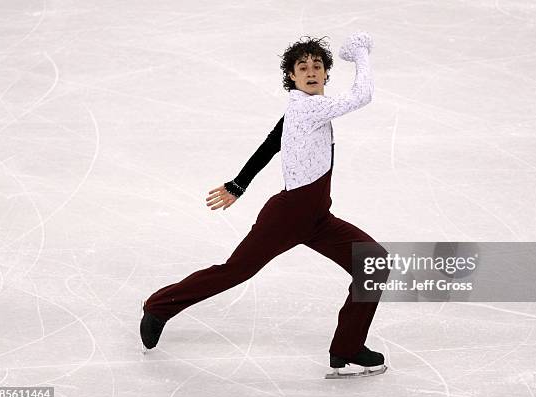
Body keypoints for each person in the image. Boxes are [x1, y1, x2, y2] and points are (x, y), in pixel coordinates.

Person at [141, 31, 389, 378]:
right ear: (291, 76)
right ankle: (158, 307)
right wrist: (361, 51)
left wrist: (238, 184)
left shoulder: (301, 108)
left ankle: (347, 348)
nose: (311, 71)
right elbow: (363, 94)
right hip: (288, 216)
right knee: (235, 271)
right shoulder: (310, 107)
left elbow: (272, 142)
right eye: (303, 67)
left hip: (317, 217)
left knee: (374, 262)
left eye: (317, 65)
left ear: (326, 74)